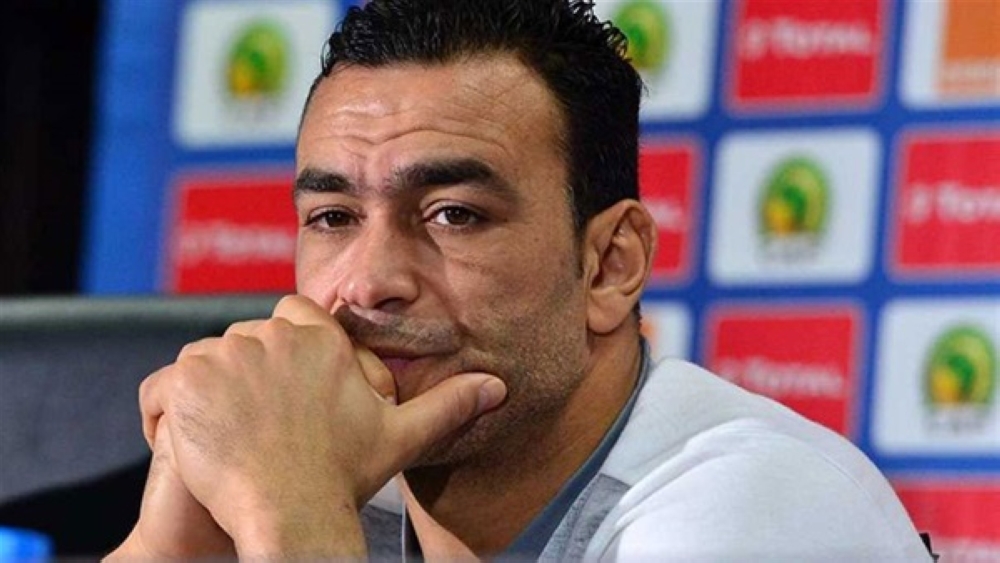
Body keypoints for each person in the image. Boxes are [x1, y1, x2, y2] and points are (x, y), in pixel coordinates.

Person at [108, 0, 932, 560]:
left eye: (453, 214)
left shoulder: (757, 505)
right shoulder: (335, 477)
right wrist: (173, 540)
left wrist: (292, 519)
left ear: (609, 265)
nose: (370, 282)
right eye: (333, 217)